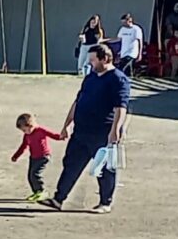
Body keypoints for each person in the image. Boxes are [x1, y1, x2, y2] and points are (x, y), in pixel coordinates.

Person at [48, 46, 129, 213]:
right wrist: (66, 125)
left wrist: (115, 131)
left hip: (102, 133)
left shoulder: (117, 79)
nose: (90, 63)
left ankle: (105, 202)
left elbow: (121, 107)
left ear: (105, 58)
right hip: (81, 131)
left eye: (93, 60)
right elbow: (77, 102)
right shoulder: (90, 77)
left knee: (105, 169)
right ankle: (58, 199)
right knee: (71, 164)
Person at [10, 114, 62, 203]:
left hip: (43, 156)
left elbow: (52, 135)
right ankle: (37, 192)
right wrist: (16, 156)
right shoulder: (27, 136)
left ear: (30, 126)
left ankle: (42, 191)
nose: (24, 132)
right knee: (30, 175)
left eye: (24, 130)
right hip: (33, 157)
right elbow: (23, 146)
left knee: (35, 174)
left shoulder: (40, 130)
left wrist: (60, 137)